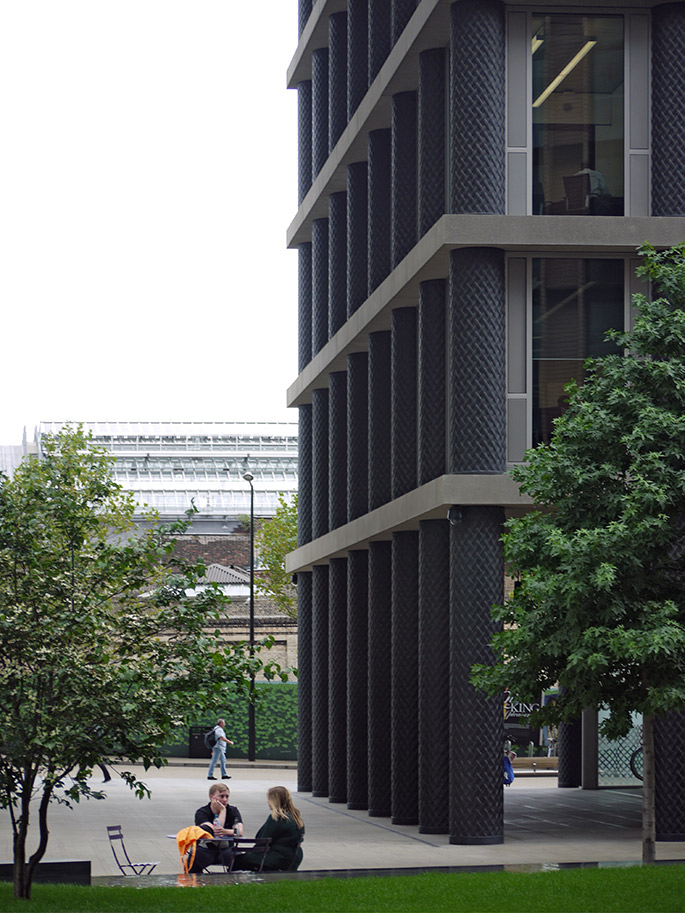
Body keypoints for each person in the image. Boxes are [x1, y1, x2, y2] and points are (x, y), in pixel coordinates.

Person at [232, 785, 304, 872]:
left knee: (234, 860)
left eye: (269, 799)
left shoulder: (277, 818)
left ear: (275, 801)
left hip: (276, 859)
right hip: (293, 857)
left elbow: (261, 839)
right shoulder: (296, 817)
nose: (267, 801)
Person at [186, 782, 243, 873]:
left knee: (238, 859)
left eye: (227, 797)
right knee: (194, 858)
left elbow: (239, 831)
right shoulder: (202, 812)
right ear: (211, 797)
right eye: (221, 796)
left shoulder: (233, 811)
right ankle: (192, 883)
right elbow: (215, 830)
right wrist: (222, 811)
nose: (224, 800)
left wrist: (225, 831)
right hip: (206, 849)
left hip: (227, 849)